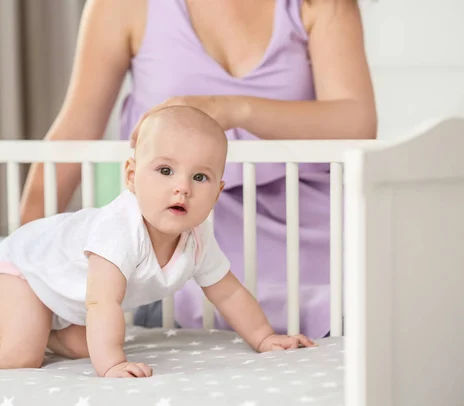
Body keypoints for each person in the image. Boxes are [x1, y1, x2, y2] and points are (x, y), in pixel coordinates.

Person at [19, 0, 377, 338]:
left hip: (314, 231)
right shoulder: (123, 6)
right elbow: (75, 134)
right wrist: (19, 257)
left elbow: (358, 123)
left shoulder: (321, 5)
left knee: (365, 307)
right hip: (186, 233)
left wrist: (231, 109)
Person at [0, 106, 317, 377]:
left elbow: (228, 292)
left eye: (200, 177)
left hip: (64, 296)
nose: (182, 189)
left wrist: (263, 337)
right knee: (20, 356)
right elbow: (101, 303)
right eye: (165, 171)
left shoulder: (197, 236)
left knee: (81, 345)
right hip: (25, 269)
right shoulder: (121, 228)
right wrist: (113, 364)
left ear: (217, 190)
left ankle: (44, 330)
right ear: (132, 176)